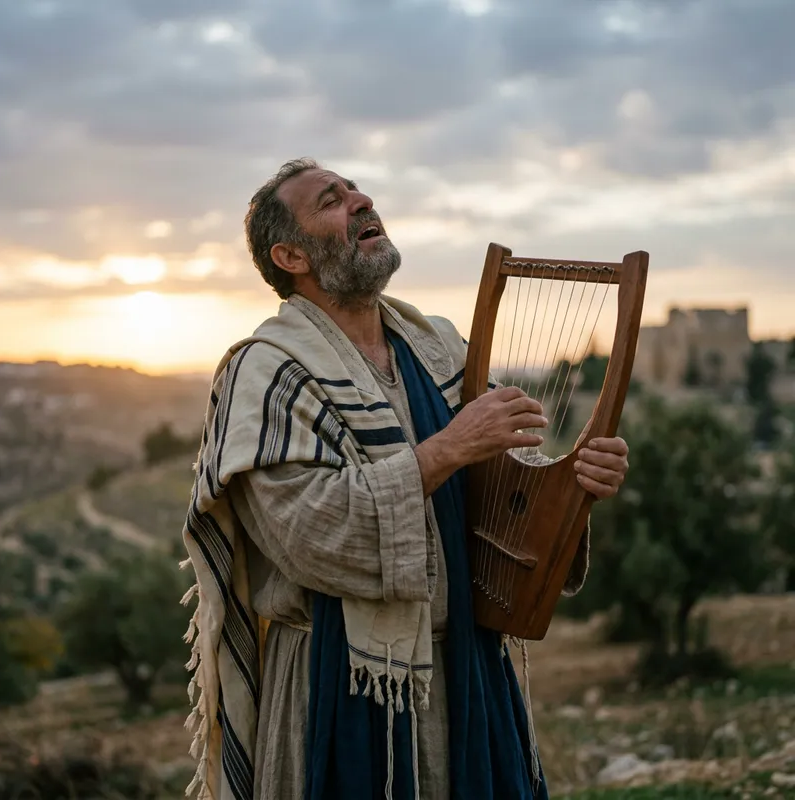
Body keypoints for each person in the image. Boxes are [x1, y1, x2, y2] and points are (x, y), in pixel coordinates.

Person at [181, 158, 630, 800]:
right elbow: (310, 536)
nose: (361, 200)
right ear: (290, 255)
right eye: (331, 201)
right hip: (339, 683)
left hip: (468, 674)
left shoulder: (436, 345)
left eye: (357, 189)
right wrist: (446, 449)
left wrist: (575, 490)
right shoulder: (265, 375)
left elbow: (496, 498)